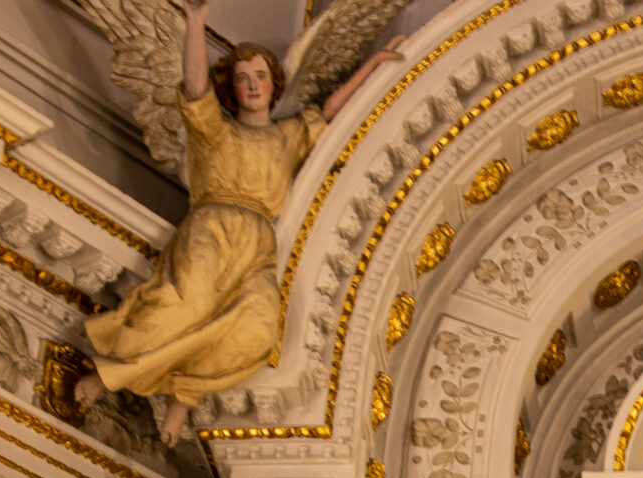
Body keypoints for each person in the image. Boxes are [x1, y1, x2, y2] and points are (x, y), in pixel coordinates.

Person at [76, 0, 403, 443]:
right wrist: (195, 26)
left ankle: (183, 394)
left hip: (259, 241)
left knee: (258, 329)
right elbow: (193, 86)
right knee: (183, 308)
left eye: (260, 77)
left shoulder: (288, 135)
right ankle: (108, 376)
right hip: (212, 226)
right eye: (242, 79)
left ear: (274, 84)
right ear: (231, 89)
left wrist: (377, 65)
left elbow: (330, 112)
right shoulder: (214, 129)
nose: (252, 85)